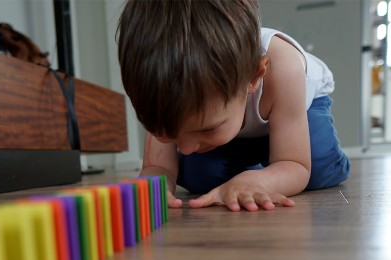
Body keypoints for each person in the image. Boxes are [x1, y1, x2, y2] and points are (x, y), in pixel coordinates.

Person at [117, 0, 350, 212]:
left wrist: (258, 181)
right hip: (238, 122)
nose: (185, 149)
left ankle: (264, 165)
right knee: (200, 178)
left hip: (299, 104)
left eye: (206, 129)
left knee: (318, 170)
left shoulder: (284, 69)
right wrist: (152, 187)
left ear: (254, 77)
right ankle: (252, 160)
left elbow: (295, 163)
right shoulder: (159, 83)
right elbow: (158, 167)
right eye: (167, 133)